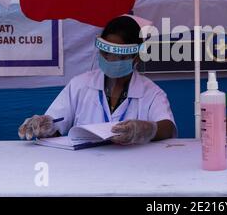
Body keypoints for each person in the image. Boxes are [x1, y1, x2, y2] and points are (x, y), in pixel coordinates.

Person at [18, 15, 176, 145]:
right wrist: (45, 125)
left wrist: (147, 129)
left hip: (134, 169)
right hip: (84, 169)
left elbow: (168, 127)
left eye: (119, 55)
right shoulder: (80, 85)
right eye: (105, 53)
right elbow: (55, 124)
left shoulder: (151, 92)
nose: (111, 59)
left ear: (136, 57)